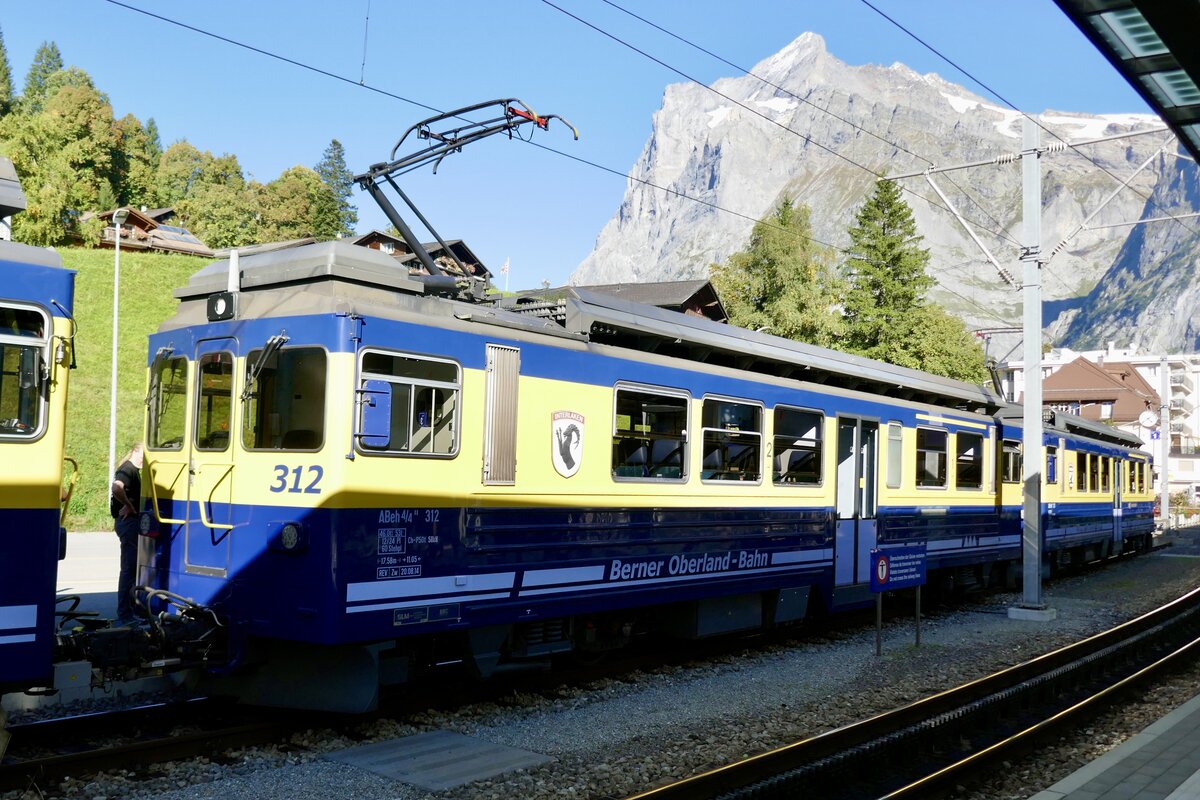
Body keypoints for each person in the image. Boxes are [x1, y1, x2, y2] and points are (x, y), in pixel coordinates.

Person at [110, 443, 144, 623]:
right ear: (137, 451)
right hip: (128, 523)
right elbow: (117, 487)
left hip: (128, 524)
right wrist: (129, 506)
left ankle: (130, 611)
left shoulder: (132, 470)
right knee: (129, 569)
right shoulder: (128, 469)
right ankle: (125, 614)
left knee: (131, 569)